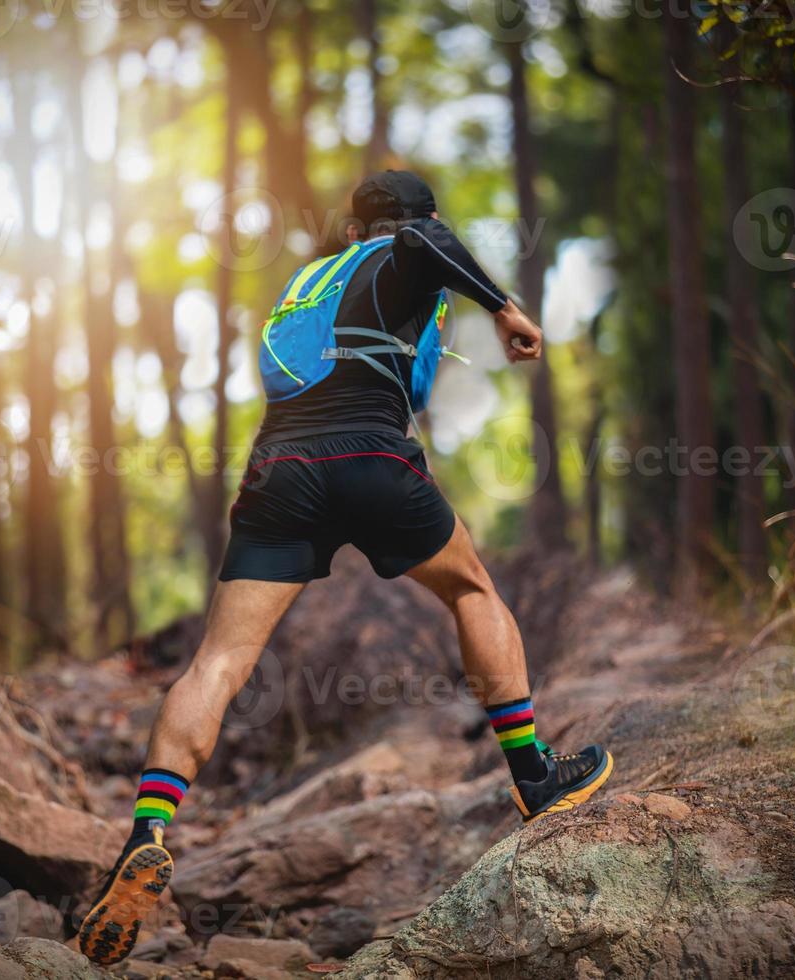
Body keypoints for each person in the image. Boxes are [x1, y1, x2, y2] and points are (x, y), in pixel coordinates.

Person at [78, 171, 613, 966]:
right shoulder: (404, 249)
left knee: (218, 661)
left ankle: (148, 832)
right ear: (415, 219)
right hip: (367, 452)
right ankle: (535, 776)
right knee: (473, 589)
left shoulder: (309, 279)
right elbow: (425, 245)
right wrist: (502, 307)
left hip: (278, 469)